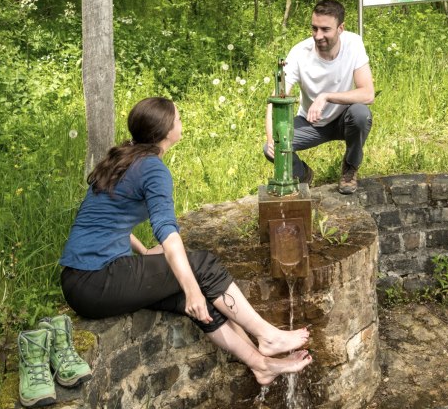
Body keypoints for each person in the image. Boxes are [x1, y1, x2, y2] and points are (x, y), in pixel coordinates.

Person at [60, 97, 312, 386]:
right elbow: (167, 233)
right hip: (96, 279)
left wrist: (142, 251)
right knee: (202, 266)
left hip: (81, 283)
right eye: (178, 119)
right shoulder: (152, 169)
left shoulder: (125, 157)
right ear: (166, 131)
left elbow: (103, 216)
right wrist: (192, 289)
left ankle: (261, 365)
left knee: (194, 294)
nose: (181, 122)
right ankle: (267, 335)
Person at [264, 0, 374, 194]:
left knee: (360, 114)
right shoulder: (300, 53)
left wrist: (326, 96)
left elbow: (367, 93)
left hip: (343, 120)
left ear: (341, 28)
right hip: (310, 122)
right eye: (314, 28)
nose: (318, 36)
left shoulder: (353, 43)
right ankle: (303, 174)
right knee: (271, 149)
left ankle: (350, 168)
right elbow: (276, 100)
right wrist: (273, 138)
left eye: (325, 29)